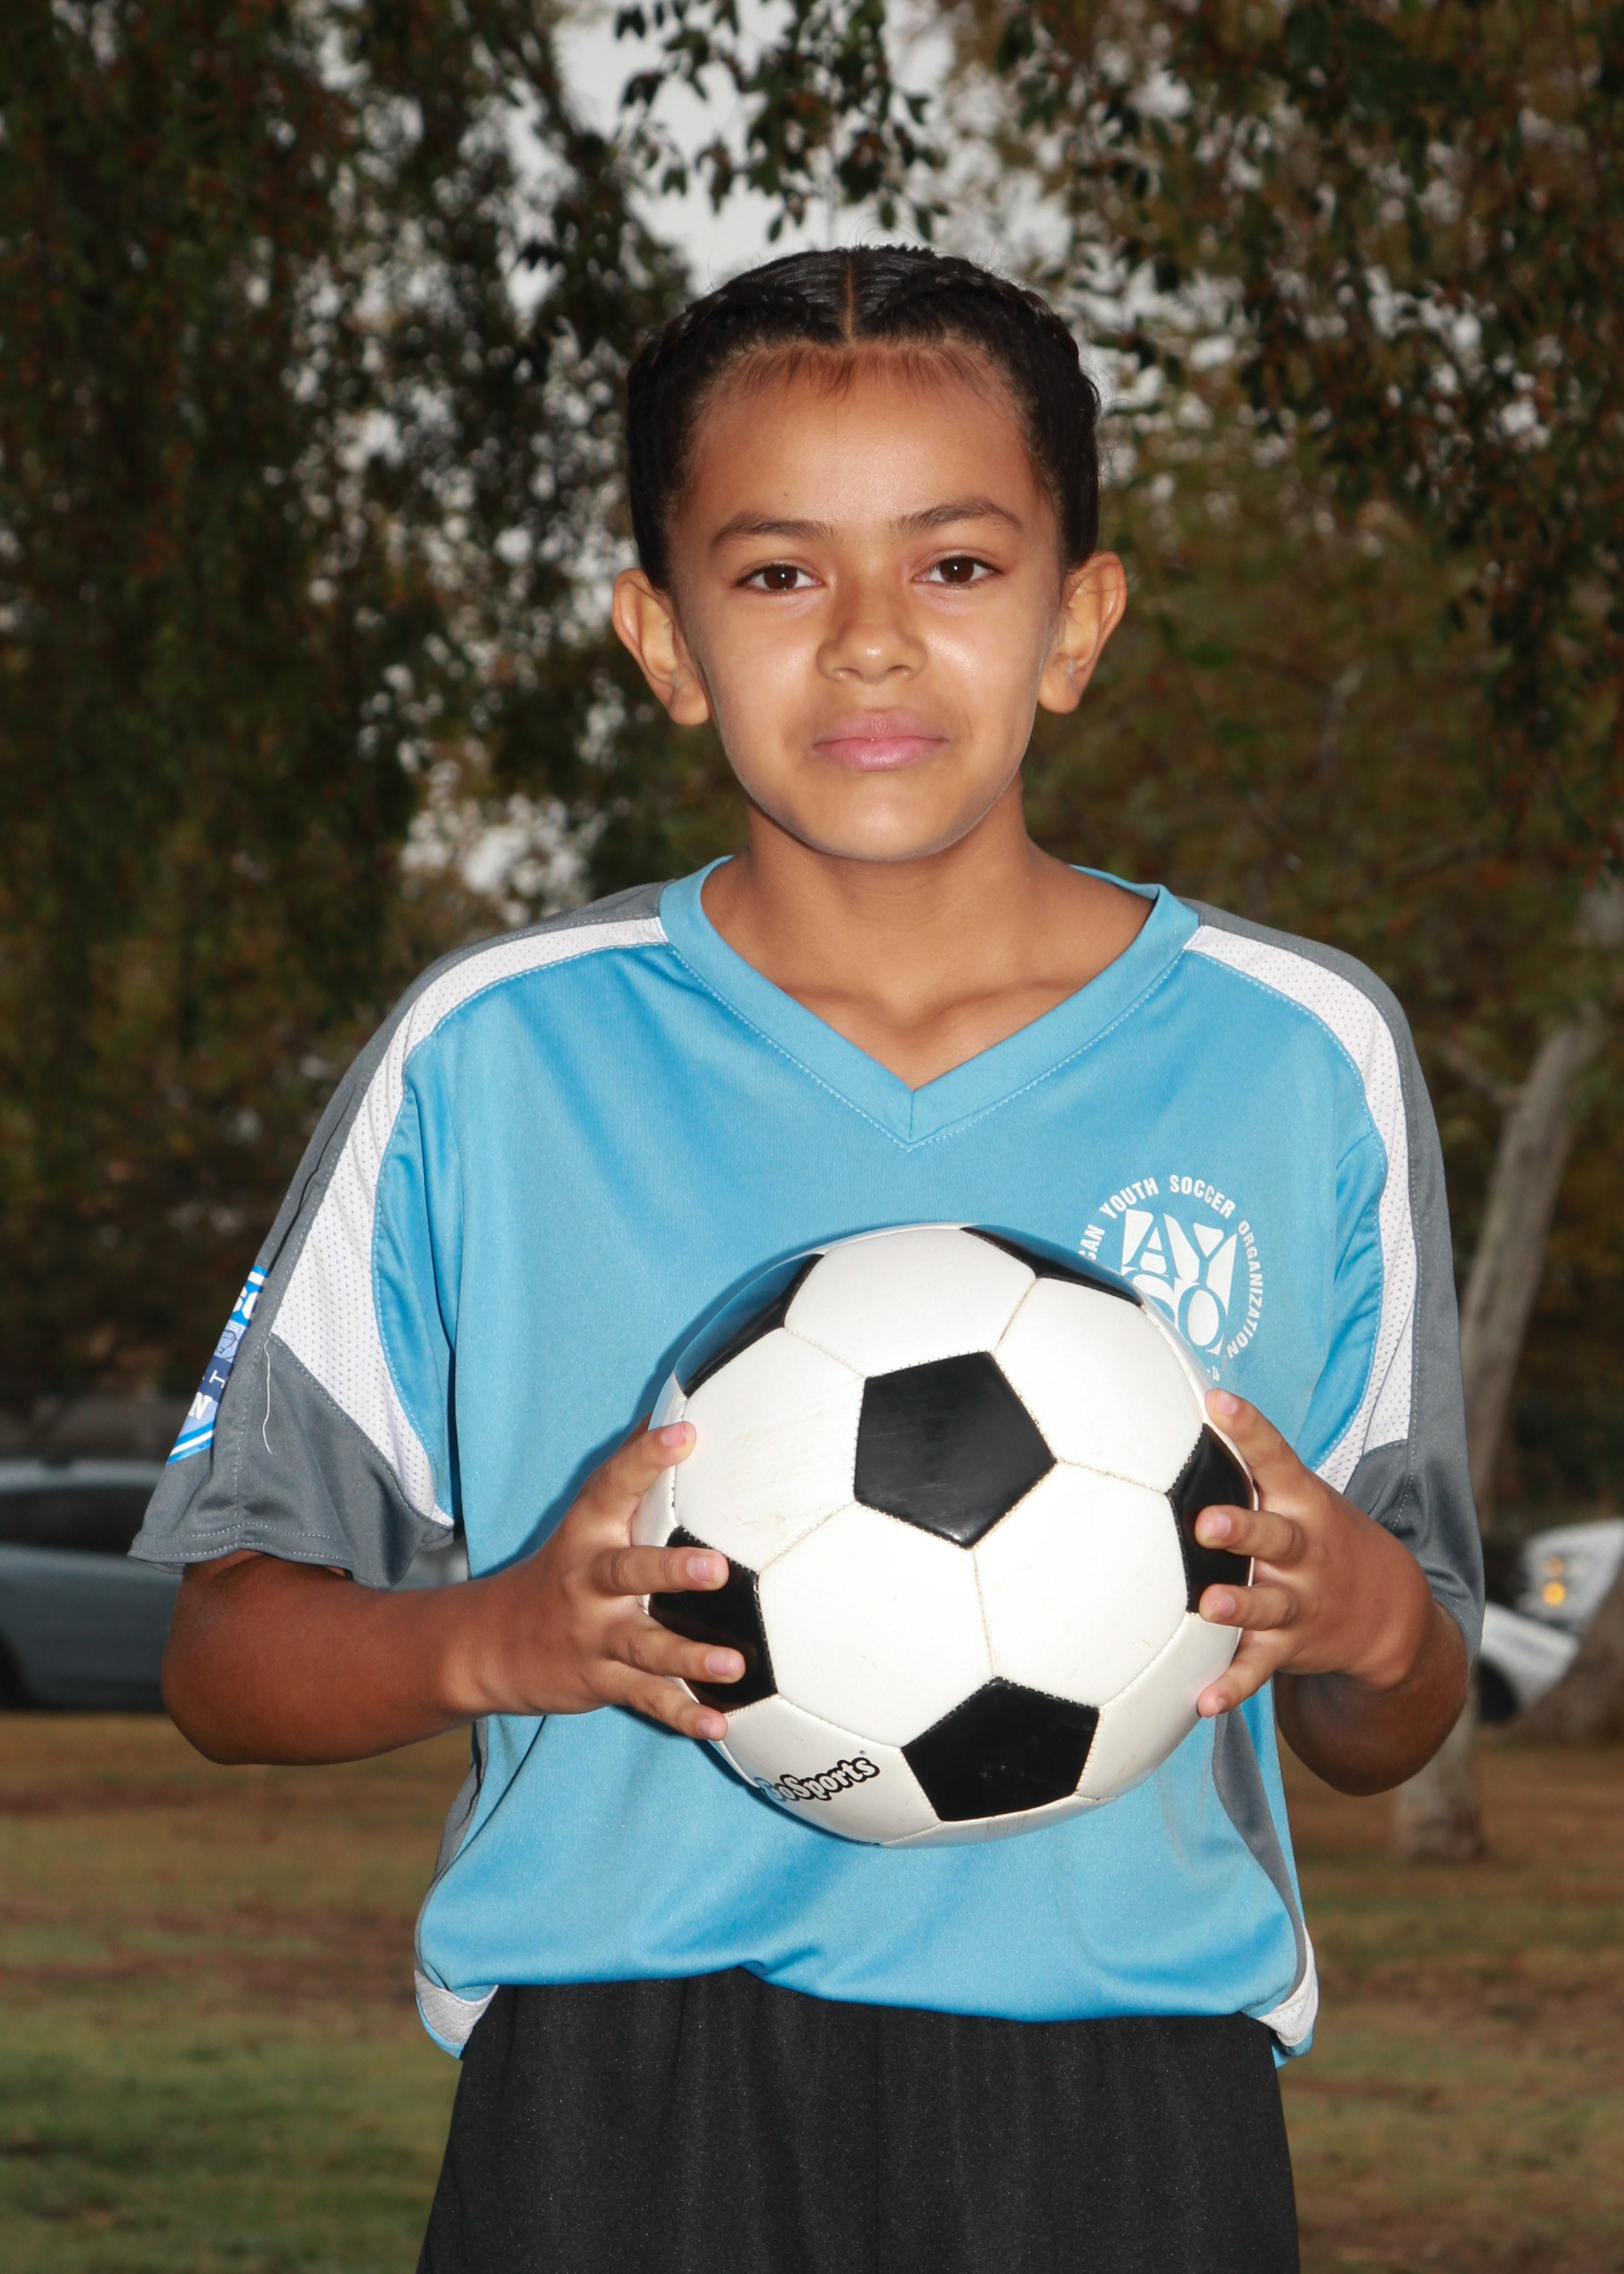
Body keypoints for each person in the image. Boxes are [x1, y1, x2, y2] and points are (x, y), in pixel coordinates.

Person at [136, 247, 1483, 2274]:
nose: (868, 641)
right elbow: (222, 1655)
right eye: (778, 573)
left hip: (1124, 2107)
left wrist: (1369, 1617)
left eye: (955, 565)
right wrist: (495, 1638)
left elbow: (1395, 1714)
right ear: (663, 637)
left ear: (1075, 621)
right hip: (617, 2103)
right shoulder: (494, 1055)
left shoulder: (1300, 1057)